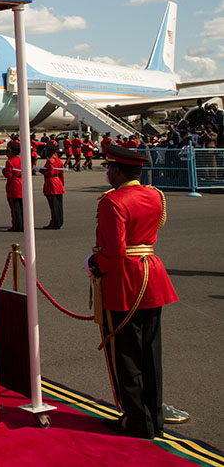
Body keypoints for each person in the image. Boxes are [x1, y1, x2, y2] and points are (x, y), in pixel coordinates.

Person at [88, 143, 180, 439]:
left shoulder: (112, 201)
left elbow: (113, 250)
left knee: (125, 353)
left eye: (108, 168)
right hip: (151, 272)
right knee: (151, 352)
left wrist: (96, 264)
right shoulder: (155, 194)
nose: (107, 173)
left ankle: (136, 419)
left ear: (117, 170)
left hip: (124, 277)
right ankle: (153, 416)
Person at [40, 142, 65, 229]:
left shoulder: (50, 161)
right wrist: (62, 184)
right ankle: (59, 221)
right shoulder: (59, 160)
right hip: (58, 183)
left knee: (53, 206)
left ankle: (54, 223)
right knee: (58, 205)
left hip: (51, 183)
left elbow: (50, 172)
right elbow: (62, 174)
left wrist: (42, 171)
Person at [2, 140, 23, 232]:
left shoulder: (10, 162)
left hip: (14, 185)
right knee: (22, 208)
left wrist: (4, 171)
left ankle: (16, 226)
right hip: (22, 183)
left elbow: (8, 175)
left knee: (15, 209)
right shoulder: (23, 160)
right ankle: (24, 224)